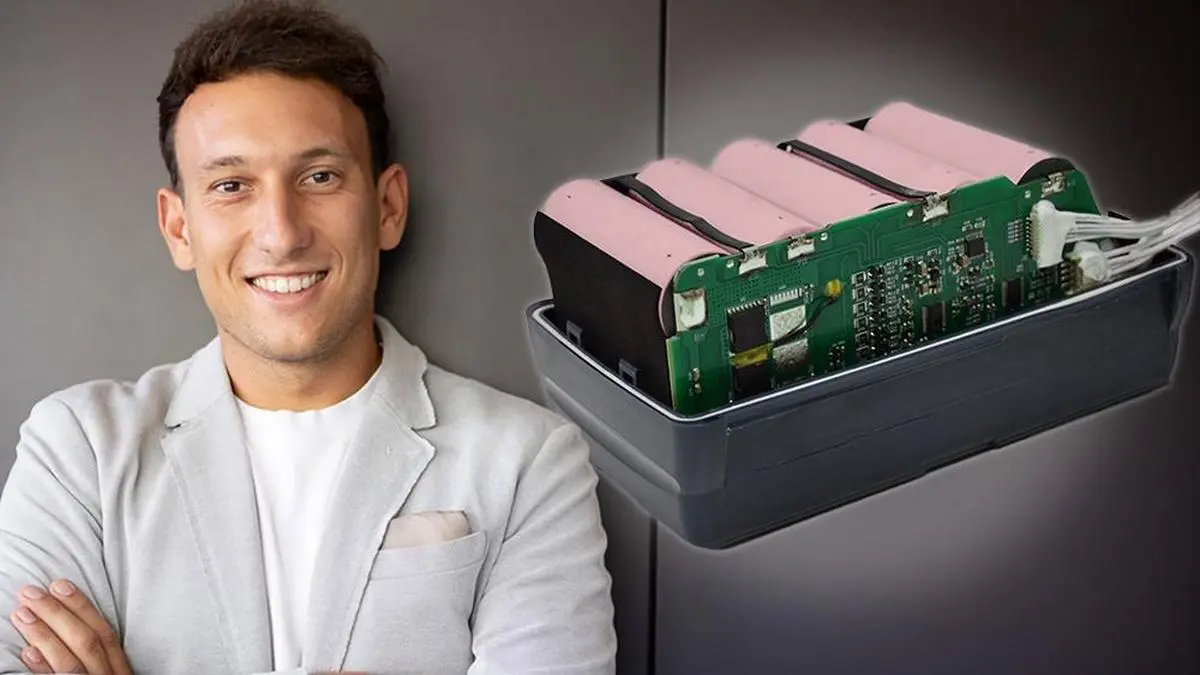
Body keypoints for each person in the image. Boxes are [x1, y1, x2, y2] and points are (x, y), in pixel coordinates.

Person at [0, 1, 617, 673]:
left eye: (319, 177)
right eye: (231, 185)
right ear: (180, 228)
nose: (282, 233)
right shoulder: (80, 452)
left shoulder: (529, 462)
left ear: (387, 207)